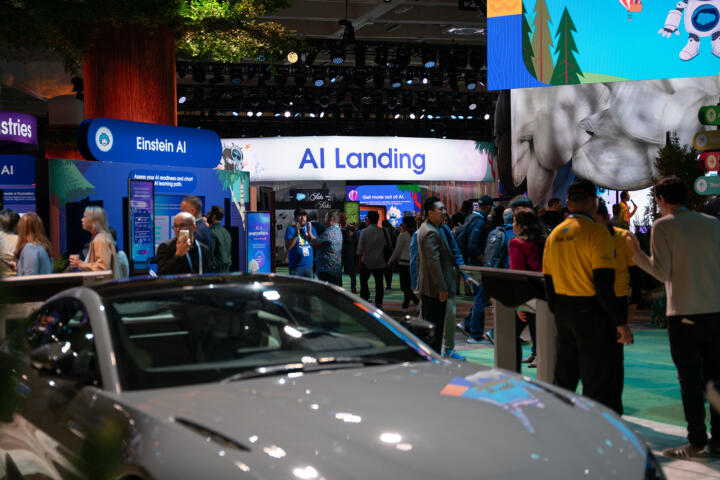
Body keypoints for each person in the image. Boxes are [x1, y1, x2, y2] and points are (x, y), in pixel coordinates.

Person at [627, 176, 720, 459]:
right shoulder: (713, 223)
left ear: (662, 200)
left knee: (690, 380)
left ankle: (695, 442)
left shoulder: (663, 226)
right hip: (716, 312)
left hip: (684, 313)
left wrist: (636, 254)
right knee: (715, 379)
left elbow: (662, 272)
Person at [542, 178, 624, 411]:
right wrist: (619, 322)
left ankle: (559, 428)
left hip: (563, 311)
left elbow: (548, 281)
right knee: (598, 380)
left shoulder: (554, 235)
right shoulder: (597, 234)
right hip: (592, 313)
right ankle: (600, 435)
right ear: (592, 202)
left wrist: (557, 310)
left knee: (565, 377)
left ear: (567, 202)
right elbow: (603, 283)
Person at [595, 200, 639, 415]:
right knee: (594, 358)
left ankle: (614, 409)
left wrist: (633, 305)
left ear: (604, 217)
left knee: (614, 358)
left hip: (617, 299)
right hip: (591, 301)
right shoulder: (587, 236)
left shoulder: (623, 237)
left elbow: (637, 273)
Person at [417, 196, 456, 353]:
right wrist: (442, 287)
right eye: (440, 210)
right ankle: (433, 360)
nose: (444, 213)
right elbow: (433, 263)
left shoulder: (429, 228)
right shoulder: (431, 232)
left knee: (431, 326)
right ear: (429, 212)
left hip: (430, 288)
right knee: (435, 329)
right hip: (434, 290)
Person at [508, 207, 545, 368]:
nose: (512, 225)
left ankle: (515, 368)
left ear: (521, 225)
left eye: (515, 221)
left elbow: (517, 274)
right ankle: (537, 353)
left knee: (509, 333)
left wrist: (519, 302)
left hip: (527, 292)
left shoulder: (517, 243)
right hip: (542, 289)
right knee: (537, 324)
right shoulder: (541, 239)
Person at [460, 194, 494, 344]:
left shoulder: (470, 218)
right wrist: (484, 261)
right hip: (477, 266)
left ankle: (467, 323)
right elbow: (473, 245)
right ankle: (475, 334)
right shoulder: (479, 221)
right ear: (488, 207)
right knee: (481, 299)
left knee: (480, 297)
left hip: (470, 264)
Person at [69, 206, 117, 272]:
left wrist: (80, 264)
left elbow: (102, 267)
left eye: (85, 217)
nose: (82, 219)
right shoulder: (99, 237)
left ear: (93, 220)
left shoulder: (100, 239)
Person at [357, 210, 389, 308]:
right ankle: (379, 302)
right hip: (380, 262)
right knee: (379, 284)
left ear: (368, 219)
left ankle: (365, 299)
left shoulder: (364, 232)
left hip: (366, 262)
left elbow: (359, 250)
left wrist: (359, 261)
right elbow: (389, 246)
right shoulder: (383, 231)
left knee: (363, 282)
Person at [387, 216, 419, 312]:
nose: (401, 225)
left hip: (403, 264)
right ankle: (405, 306)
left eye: (403, 223)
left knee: (404, 286)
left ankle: (417, 302)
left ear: (406, 224)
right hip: (414, 263)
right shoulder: (417, 234)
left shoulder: (403, 235)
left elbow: (397, 250)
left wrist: (390, 261)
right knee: (410, 286)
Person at [310, 210, 343, 286]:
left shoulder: (329, 232)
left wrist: (310, 233)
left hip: (327, 269)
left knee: (327, 294)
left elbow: (314, 243)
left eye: (326, 217)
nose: (324, 219)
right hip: (336, 268)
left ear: (330, 219)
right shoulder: (338, 230)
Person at [284, 207, 317, 278]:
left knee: (310, 289)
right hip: (296, 268)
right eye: (300, 216)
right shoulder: (290, 229)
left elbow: (316, 244)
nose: (303, 218)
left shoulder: (311, 228)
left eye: (304, 216)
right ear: (295, 218)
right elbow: (288, 247)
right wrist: (296, 234)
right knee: (296, 289)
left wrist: (310, 233)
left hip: (309, 267)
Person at [207, 205, 232, 272]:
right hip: (226, 270)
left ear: (214, 216)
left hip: (216, 272)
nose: (208, 215)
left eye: (209, 213)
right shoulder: (226, 232)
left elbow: (210, 253)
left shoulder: (211, 232)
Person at [340, 215, 358, 293]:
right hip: (339, 252)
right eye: (341, 218)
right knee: (337, 272)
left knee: (352, 272)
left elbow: (355, 241)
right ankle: (338, 288)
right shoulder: (336, 228)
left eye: (343, 218)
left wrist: (350, 236)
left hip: (349, 252)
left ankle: (353, 288)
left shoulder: (351, 228)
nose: (342, 220)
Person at [382, 219, 396, 290]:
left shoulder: (383, 231)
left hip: (384, 252)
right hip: (391, 251)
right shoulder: (393, 231)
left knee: (385, 269)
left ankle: (388, 284)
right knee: (389, 269)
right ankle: (389, 284)